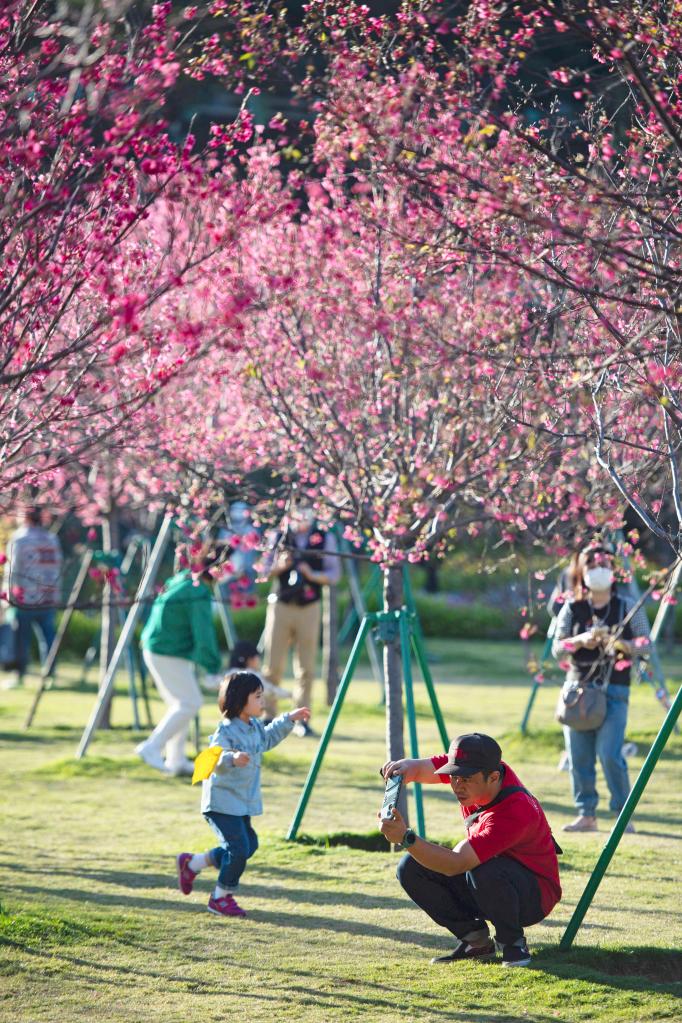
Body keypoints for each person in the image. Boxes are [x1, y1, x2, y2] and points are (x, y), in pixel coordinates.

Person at [379, 733, 561, 968]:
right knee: (411, 867)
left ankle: (512, 943)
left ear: (493, 777)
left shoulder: (514, 811)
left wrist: (406, 838)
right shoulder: (481, 770)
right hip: (489, 880)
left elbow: (457, 863)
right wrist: (405, 769)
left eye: (465, 779)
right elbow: (423, 769)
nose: (457, 785)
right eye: (453, 776)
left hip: (534, 895)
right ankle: (476, 941)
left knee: (483, 868)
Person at [176, 670, 310, 917]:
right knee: (237, 850)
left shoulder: (255, 727)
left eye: (262, 695)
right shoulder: (226, 731)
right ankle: (220, 898)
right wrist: (232, 758)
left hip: (241, 802)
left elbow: (268, 738)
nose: (262, 700)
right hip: (221, 802)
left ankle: (192, 863)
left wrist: (289, 719)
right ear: (239, 700)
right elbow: (216, 757)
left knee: (248, 846)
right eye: (257, 696)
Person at [552, 540, 650, 833]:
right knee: (579, 757)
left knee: (610, 755)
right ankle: (586, 814)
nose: (598, 568)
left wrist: (620, 644)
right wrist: (580, 640)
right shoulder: (572, 608)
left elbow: (645, 644)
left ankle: (622, 813)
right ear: (582, 571)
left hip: (615, 691)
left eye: (604, 563)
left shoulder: (628, 607)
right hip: (578, 692)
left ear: (613, 570)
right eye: (592, 564)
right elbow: (558, 648)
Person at [135, 550, 223, 777]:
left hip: (158, 647)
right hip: (167, 651)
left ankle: (176, 760)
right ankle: (152, 747)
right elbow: (204, 633)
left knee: (180, 705)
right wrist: (212, 667)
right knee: (190, 703)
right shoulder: (198, 591)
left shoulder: (183, 579)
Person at [260, 503, 341, 735]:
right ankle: (268, 714)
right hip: (281, 605)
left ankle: (301, 719)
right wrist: (280, 566)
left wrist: (312, 574)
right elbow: (263, 571)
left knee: (306, 667)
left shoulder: (324, 538)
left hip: (309, 606)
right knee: (273, 664)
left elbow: (334, 574)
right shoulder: (279, 537)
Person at [2, 506, 62, 689]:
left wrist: (8, 595)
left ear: (25, 518)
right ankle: (50, 675)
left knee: (21, 639)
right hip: (48, 597)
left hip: (25, 598)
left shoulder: (20, 539)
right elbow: (58, 566)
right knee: (48, 638)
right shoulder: (52, 539)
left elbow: (13, 569)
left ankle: (19, 675)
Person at [228, 639, 292, 709]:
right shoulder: (251, 675)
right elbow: (269, 690)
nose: (258, 660)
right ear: (249, 659)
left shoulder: (229, 674)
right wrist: (290, 695)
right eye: (256, 657)